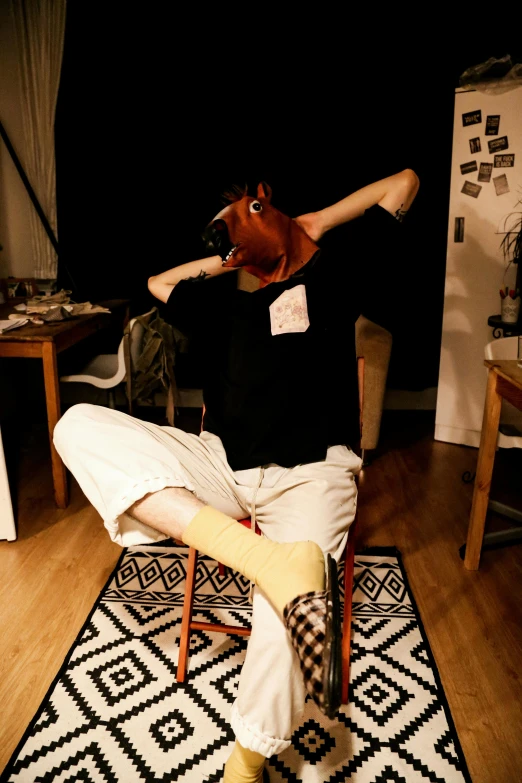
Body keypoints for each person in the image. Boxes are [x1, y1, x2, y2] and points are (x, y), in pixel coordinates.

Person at [53, 167, 420, 783]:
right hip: (221, 464)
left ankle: (245, 765)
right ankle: (266, 559)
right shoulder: (223, 308)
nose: (235, 224)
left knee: (290, 606)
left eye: (249, 208)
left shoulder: (337, 273)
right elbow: (157, 281)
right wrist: (227, 259)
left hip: (311, 473)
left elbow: (404, 183)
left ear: (276, 209)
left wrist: (312, 224)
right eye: (224, 228)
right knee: (77, 426)